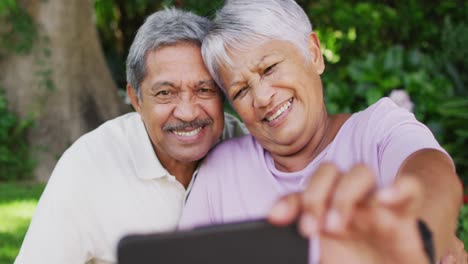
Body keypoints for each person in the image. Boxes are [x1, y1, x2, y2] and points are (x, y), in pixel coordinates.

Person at [179, 0, 465, 263]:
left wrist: (416, 242)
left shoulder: (378, 128)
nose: (263, 97)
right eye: (240, 90)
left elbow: (434, 178)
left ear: (314, 54)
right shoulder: (221, 171)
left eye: (269, 69)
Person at [14, 8, 247, 264]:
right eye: (165, 93)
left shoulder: (249, 150)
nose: (188, 112)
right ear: (136, 100)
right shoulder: (87, 166)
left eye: (204, 89)